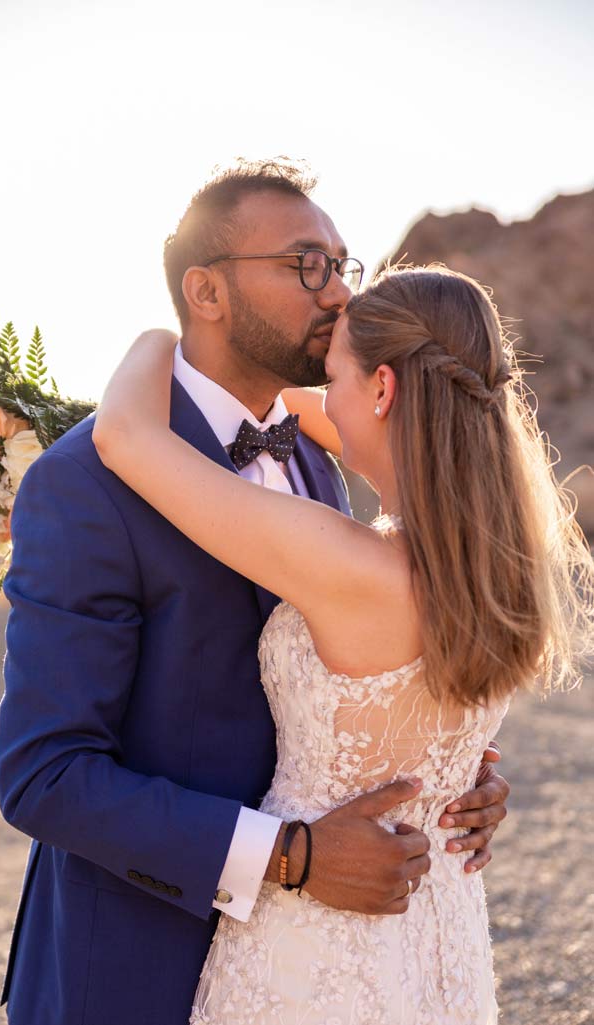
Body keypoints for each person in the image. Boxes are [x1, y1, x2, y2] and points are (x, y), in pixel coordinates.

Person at [0, 161, 512, 1025]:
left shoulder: (322, 449)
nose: (339, 293)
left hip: (333, 965)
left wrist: (446, 770)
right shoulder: (84, 480)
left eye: (342, 264)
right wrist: (290, 855)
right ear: (205, 290)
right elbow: (45, 775)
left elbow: (355, 676)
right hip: (138, 966)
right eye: (306, 263)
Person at [92, 263, 593, 1024]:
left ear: (384, 390)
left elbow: (123, 433)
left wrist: (174, 332)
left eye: (334, 378)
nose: (318, 400)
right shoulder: (501, 556)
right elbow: (324, 411)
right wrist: (332, 357)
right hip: (440, 937)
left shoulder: (350, 566)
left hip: (318, 951)